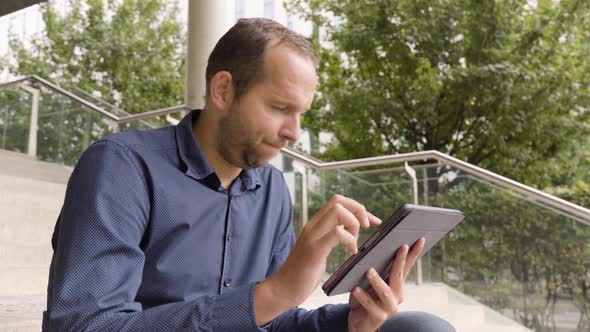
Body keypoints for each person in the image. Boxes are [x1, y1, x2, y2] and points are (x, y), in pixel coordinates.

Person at [43, 18, 455, 332]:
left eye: (301, 114)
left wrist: (348, 320)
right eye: (279, 108)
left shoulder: (272, 188)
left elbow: (269, 321)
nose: (294, 132)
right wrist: (273, 292)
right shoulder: (121, 167)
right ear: (223, 90)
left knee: (422, 328)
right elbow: (86, 325)